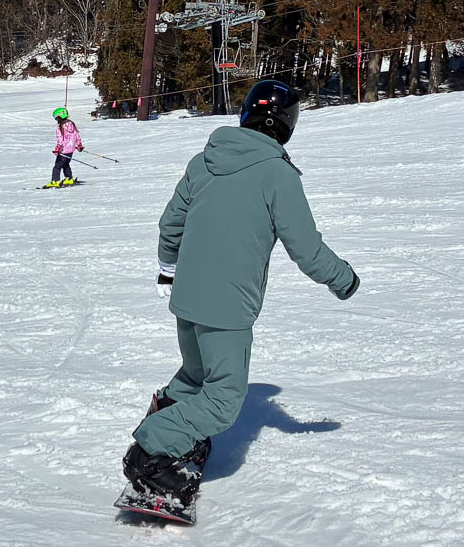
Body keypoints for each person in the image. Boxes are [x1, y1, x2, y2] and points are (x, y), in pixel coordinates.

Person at [121, 79, 359, 512]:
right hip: (228, 306)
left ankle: (169, 410)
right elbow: (306, 249)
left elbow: (171, 224)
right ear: (286, 124)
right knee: (224, 401)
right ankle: (151, 451)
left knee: (197, 374)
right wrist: (343, 279)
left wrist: (167, 271)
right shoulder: (277, 174)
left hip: (187, 297)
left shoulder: (203, 161)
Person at [47, 106, 83, 188]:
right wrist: (79, 145)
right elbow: (77, 135)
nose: (56, 120)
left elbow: (60, 140)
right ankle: (69, 178)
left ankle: (55, 181)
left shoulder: (60, 127)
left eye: (56, 118)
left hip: (63, 150)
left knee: (57, 166)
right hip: (71, 149)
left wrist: (57, 149)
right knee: (66, 164)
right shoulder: (72, 124)